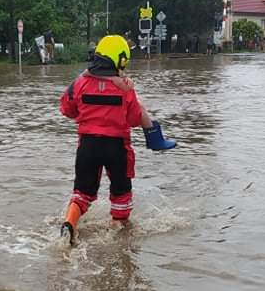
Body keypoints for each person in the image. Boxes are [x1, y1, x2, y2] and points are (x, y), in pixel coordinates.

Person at [58, 35, 176, 243]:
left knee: (82, 192)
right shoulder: (125, 88)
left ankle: (70, 223)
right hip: (117, 147)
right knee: (121, 191)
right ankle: (117, 230)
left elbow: (66, 108)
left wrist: (87, 116)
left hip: (88, 145)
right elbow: (133, 118)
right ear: (121, 60)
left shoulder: (79, 82)